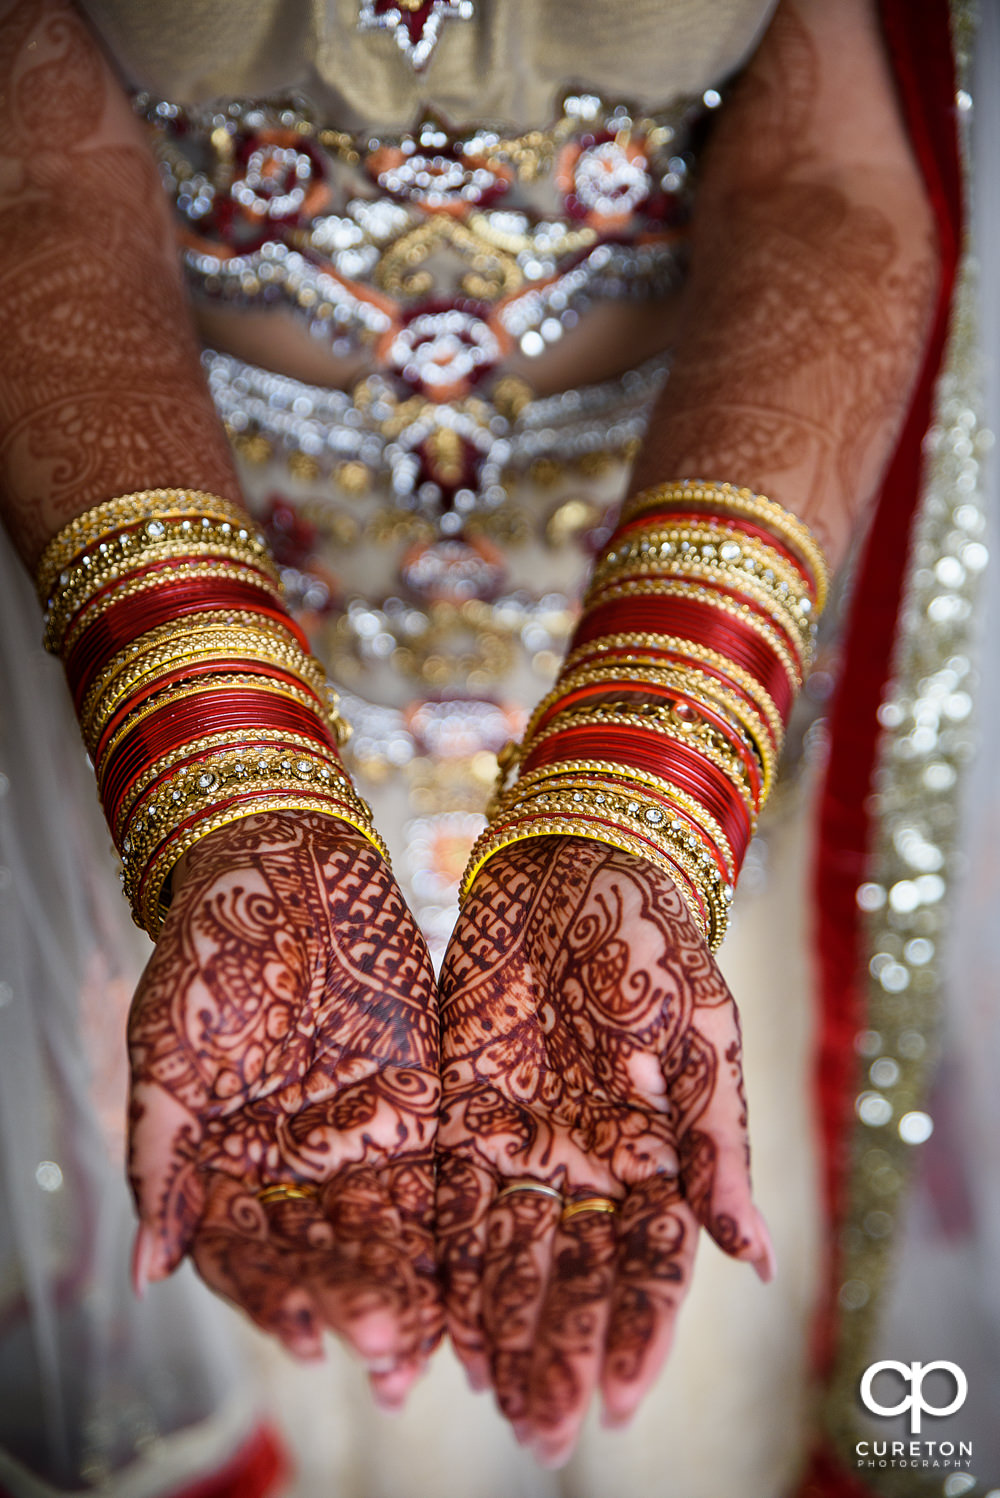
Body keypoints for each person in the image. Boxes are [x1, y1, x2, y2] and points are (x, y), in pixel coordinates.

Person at [0, 1, 992, 1495]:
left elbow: (834, 170)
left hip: (707, 589)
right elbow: (27, 174)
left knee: (704, 1391)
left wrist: (646, 795)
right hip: (158, 597)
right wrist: (226, 787)